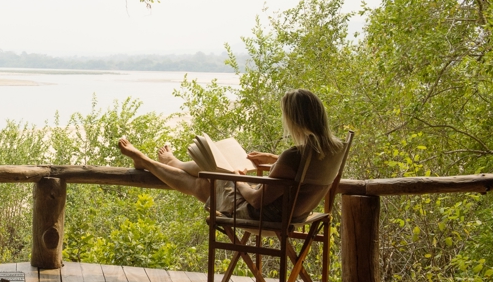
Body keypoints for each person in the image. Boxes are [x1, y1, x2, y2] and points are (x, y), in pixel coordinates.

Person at [117, 88, 345, 222]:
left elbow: (256, 199)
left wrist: (240, 178)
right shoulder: (333, 149)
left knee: (204, 184)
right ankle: (173, 162)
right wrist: (274, 159)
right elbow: (307, 170)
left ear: (294, 120)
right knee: (215, 168)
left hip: (264, 217)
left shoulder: (293, 155)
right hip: (296, 214)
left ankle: (146, 161)